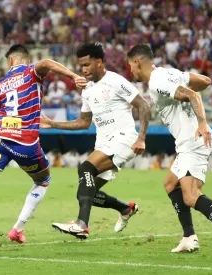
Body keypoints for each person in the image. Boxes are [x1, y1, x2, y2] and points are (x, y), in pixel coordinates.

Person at [0, 44, 87, 244]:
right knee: (42, 181)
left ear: (10, 61)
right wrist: (73, 76)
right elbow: (46, 63)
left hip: (0, 139)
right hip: (24, 142)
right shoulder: (31, 72)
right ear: (26, 60)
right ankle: (17, 230)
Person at [127, 44, 212, 260]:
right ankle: (189, 237)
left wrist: (202, 123)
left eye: (130, 66)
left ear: (138, 62)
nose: (130, 71)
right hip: (190, 141)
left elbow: (194, 94)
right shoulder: (171, 73)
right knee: (170, 184)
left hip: (193, 140)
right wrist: (183, 83)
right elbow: (205, 81)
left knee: (191, 196)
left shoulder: (158, 80)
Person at [40, 42, 151, 239]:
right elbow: (84, 122)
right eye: (81, 66)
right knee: (85, 192)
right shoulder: (87, 89)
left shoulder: (116, 81)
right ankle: (125, 208)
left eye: (87, 65)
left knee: (85, 169)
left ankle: (82, 225)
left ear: (99, 62)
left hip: (124, 139)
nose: (83, 70)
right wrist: (52, 124)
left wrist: (141, 138)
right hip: (103, 144)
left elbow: (143, 106)